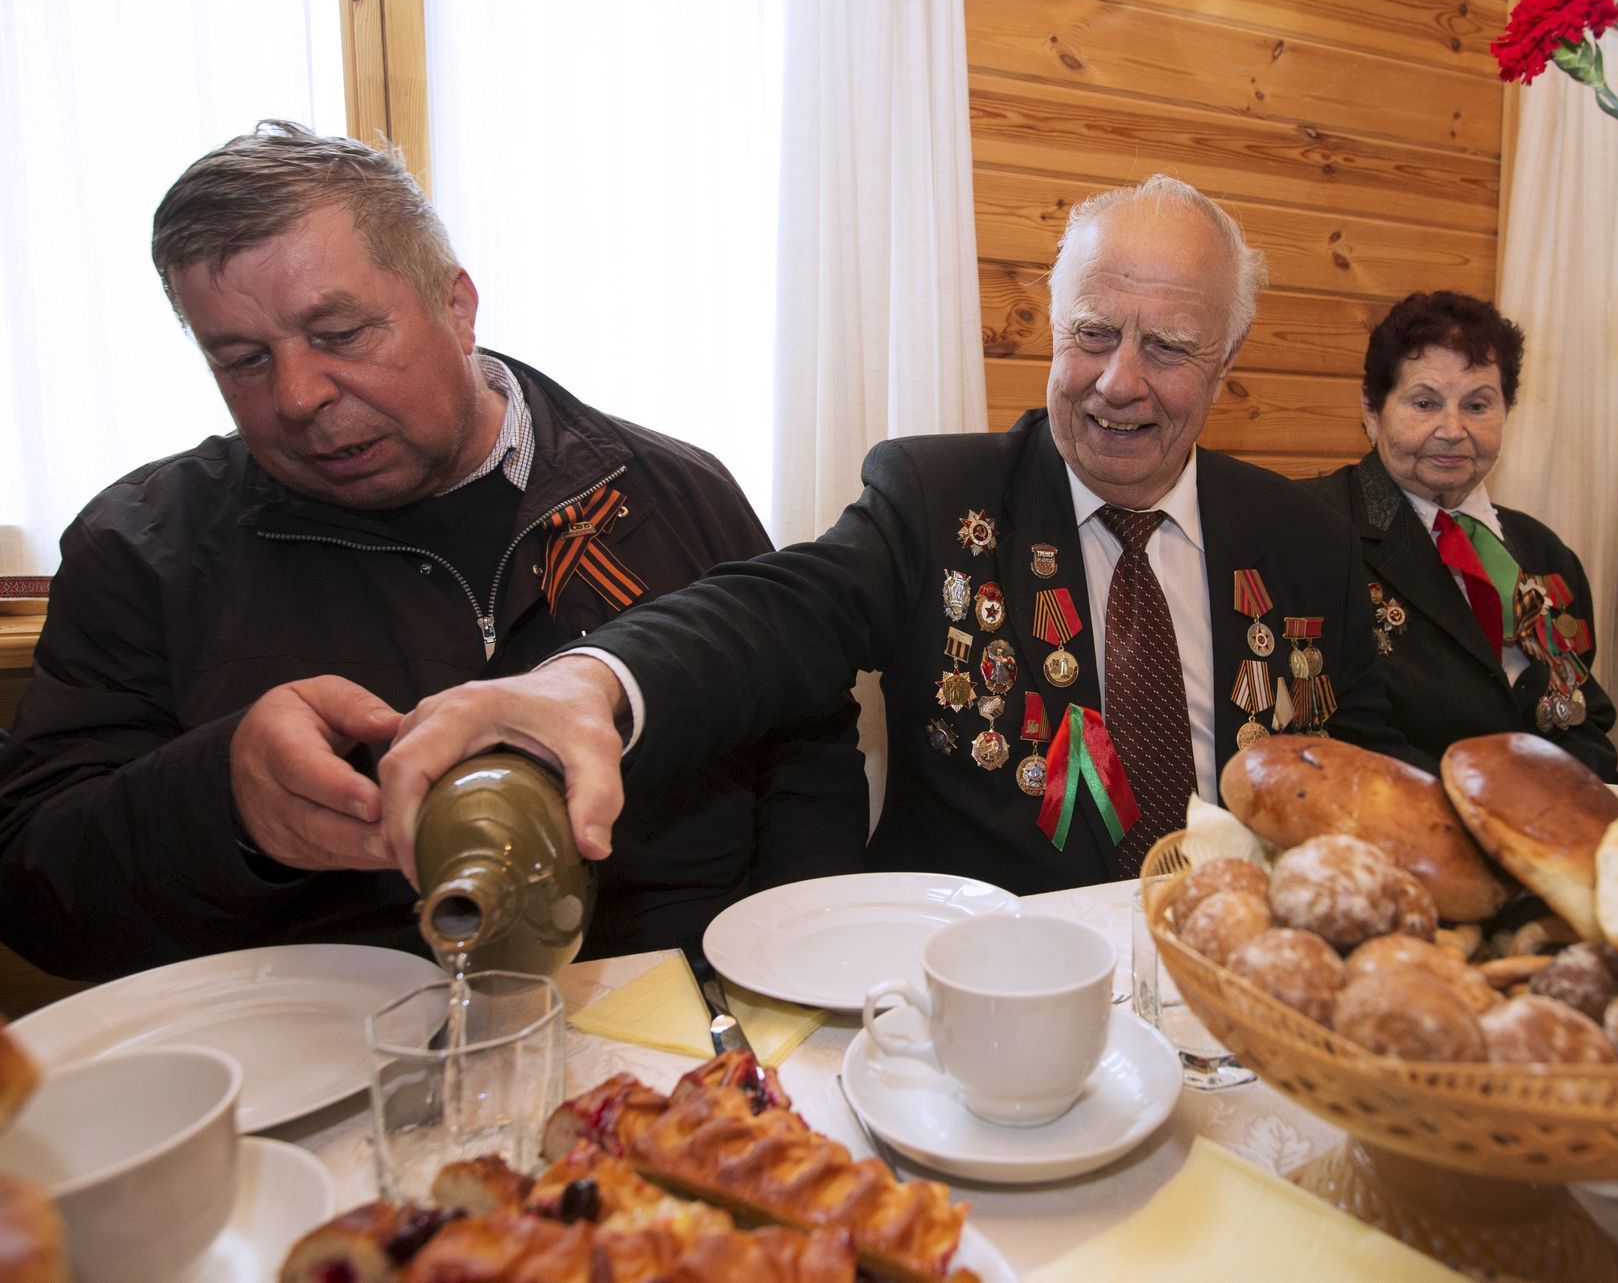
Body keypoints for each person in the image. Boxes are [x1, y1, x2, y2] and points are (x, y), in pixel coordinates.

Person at [0, 122, 866, 981]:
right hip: (324, 1060)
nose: (298, 396)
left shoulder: (674, 490)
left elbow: (804, 744)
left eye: (339, 334)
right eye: (244, 360)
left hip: (680, 1033)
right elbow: (37, 888)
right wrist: (224, 804)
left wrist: (778, 972)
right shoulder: (138, 549)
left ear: (456, 305)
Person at [379, 175, 1407, 895]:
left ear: (1228, 360)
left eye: (1168, 346)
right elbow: (778, 611)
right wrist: (590, 681)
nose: (1116, 381)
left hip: (1236, 976)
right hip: (982, 981)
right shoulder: (934, 495)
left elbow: (1369, 758)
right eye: (1090, 333)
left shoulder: (1299, 536)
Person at [1302, 291, 1618, 778]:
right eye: (1425, 403)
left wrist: (1562, 795)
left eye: (1477, 405)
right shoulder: (1313, 527)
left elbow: (1584, 715)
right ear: (1372, 410)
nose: (1452, 429)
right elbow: (1337, 728)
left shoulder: (1544, 551)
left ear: (1507, 411)